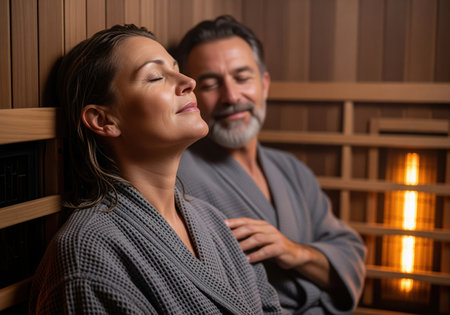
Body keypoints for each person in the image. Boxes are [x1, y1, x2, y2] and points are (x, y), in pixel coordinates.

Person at [28, 24, 284, 314]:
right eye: (155, 76)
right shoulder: (86, 255)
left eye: (177, 69)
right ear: (103, 120)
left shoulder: (211, 220)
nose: (189, 81)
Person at [175, 15, 367, 314]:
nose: (232, 96)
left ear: (264, 84)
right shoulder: (178, 175)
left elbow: (350, 253)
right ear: (192, 95)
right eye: (211, 83)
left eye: (242, 78)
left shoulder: (291, 170)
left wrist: (295, 252)